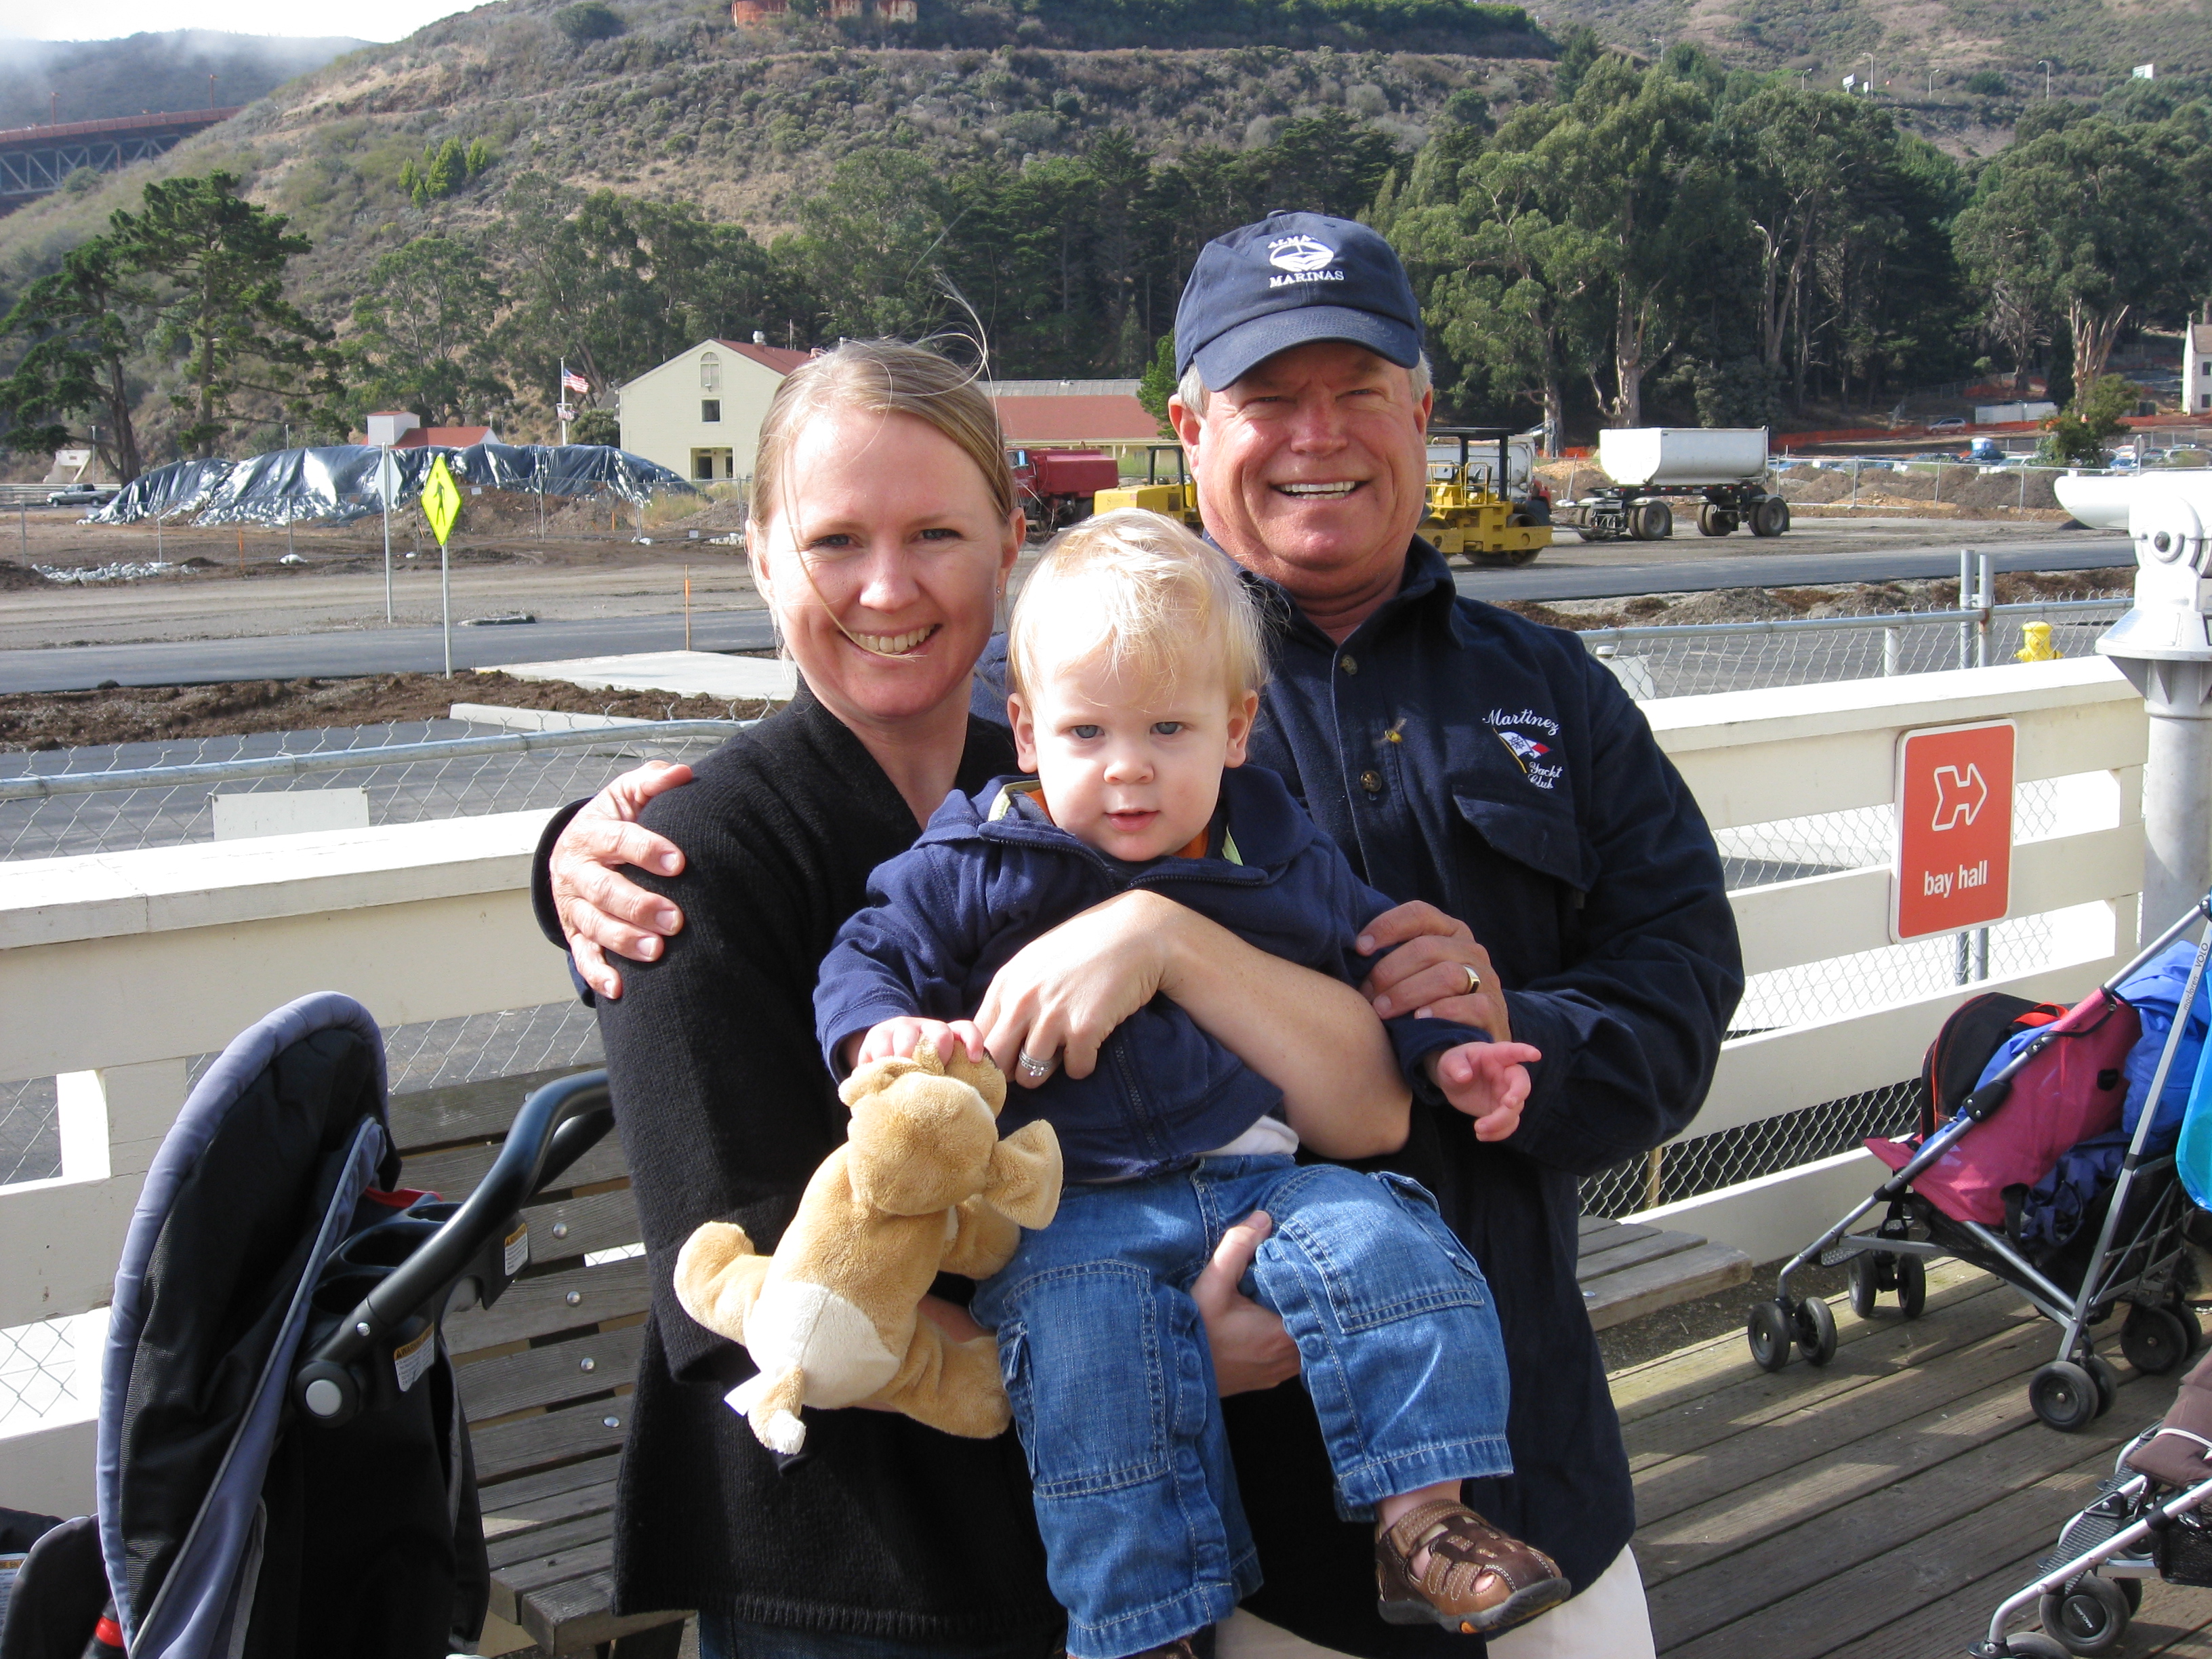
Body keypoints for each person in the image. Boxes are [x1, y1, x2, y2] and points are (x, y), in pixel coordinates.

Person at [546, 213, 1743, 1657]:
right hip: (1088, 1537)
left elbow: (1654, 1000)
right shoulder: (1063, 724)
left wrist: (1489, 1042)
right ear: (1188, 427)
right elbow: (735, 1242)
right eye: (1268, 395)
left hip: (1513, 1452)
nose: (890, 586)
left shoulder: (1540, 691)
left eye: (1358, 390)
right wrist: (565, 853)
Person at [545, 339, 1463, 1659]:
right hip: (855, 1569)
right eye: (833, 541)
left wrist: (1192, 945)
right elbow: (738, 1284)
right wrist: (1151, 1353)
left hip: (1135, 1543)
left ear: (1010, 545)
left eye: (936, 533)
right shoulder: (690, 858)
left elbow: (1359, 1108)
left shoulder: (1104, 771)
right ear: (759, 556)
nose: (887, 586)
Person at [817, 510, 1568, 1658]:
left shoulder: (1278, 850)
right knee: (1089, 1361)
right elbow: (865, 955)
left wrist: (1447, 1053)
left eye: (1169, 728)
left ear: (1237, 730)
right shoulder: (976, 863)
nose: (1128, 767)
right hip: (1072, 1208)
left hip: (1263, 1175)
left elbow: (1381, 959)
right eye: (1086, 731)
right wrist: (883, 1034)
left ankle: (1425, 1518)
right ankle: (1142, 1626)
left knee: (1396, 1246)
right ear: (1027, 731)